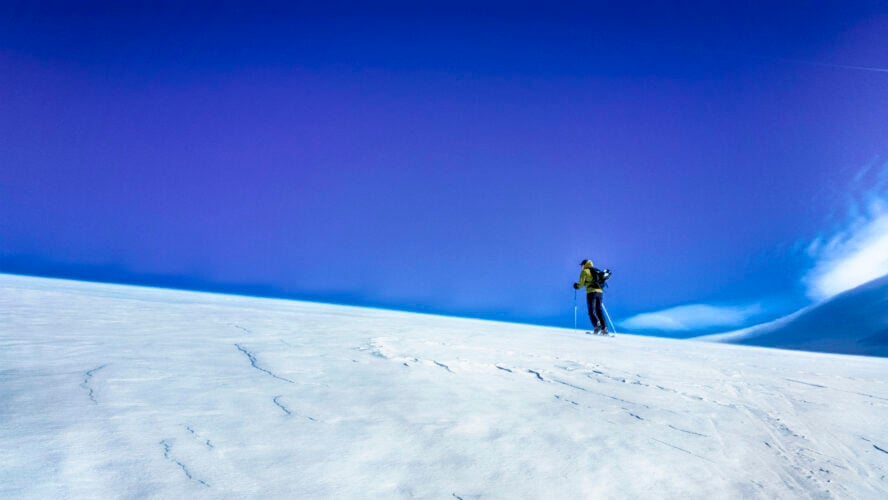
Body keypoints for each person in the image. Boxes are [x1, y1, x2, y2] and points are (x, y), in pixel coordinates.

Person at [573, 259, 611, 334]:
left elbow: (581, 284)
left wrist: (576, 286)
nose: (581, 267)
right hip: (600, 292)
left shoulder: (584, 272)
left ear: (585, 265)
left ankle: (597, 325)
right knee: (599, 311)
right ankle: (604, 329)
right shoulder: (596, 270)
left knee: (591, 311)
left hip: (591, 292)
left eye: (582, 265)